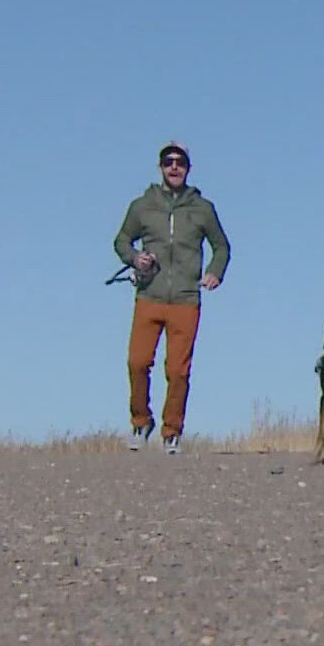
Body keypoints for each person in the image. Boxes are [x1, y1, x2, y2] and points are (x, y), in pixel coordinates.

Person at [112, 142, 231, 455]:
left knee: (178, 370)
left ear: (188, 168)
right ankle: (141, 422)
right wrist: (136, 258)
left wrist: (215, 271)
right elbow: (122, 240)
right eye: (168, 162)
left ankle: (172, 432)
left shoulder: (202, 208)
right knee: (137, 362)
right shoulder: (143, 205)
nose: (174, 167)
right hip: (149, 295)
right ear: (160, 167)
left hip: (185, 299)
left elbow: (222, 246)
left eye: (180, 162)